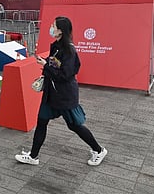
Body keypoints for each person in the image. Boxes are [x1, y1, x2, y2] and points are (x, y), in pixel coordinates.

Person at [15, 16, 107, 166]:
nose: (51, 28)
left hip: (64, 95)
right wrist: (46, 67)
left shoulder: (69, 50)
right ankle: (33, 156)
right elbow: (55, 67)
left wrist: (45, 65)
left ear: (60, 31)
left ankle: (98, 150)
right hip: (51, 93)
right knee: (41, 122)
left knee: (74, 125)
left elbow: (65, 75)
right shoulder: (56, 46)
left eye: (53, 26)